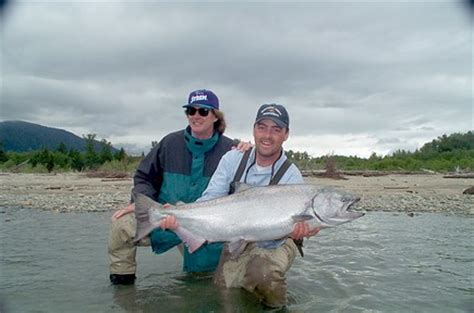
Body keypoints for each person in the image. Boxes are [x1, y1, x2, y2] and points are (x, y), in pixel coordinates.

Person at [160, 103, 319, 307]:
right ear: (254, 129)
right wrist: (178, 215)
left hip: (276, 240)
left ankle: (276, 307)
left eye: (276, 129)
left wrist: (301, 231)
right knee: (225, 293)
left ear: (286, 134)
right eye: (262, 127)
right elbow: (210, 199)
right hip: (237, 236)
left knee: (263, 276)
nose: (267, 135)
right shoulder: (232, 159)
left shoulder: (292, 175)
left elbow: (306, 223)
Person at [108, 89, 248, 285]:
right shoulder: (168, 143)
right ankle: (122, 288)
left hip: (209, 228)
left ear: (216, 116)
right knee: (121, 225)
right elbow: (144, 177)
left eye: (203, 111)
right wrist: (139, 202)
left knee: (205, 285)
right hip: (165, 220)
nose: (196, 116)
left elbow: (248, 189)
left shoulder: (233, 151)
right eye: (191, 110)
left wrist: (252, 150)